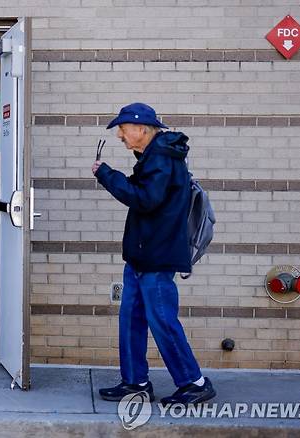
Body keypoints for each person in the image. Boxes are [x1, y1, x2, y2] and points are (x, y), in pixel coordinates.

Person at [91, 103, 216, 406]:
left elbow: (146, 199)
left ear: (142, 129)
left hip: (156, 258)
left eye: (123, 129)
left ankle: (194, 382)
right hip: (141, 256)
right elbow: (146, 192)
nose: (120, 136)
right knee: (131, 319)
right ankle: (135, 383)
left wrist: (107, 175)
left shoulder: (161, 158)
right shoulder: (153, 157)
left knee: (162, 320)